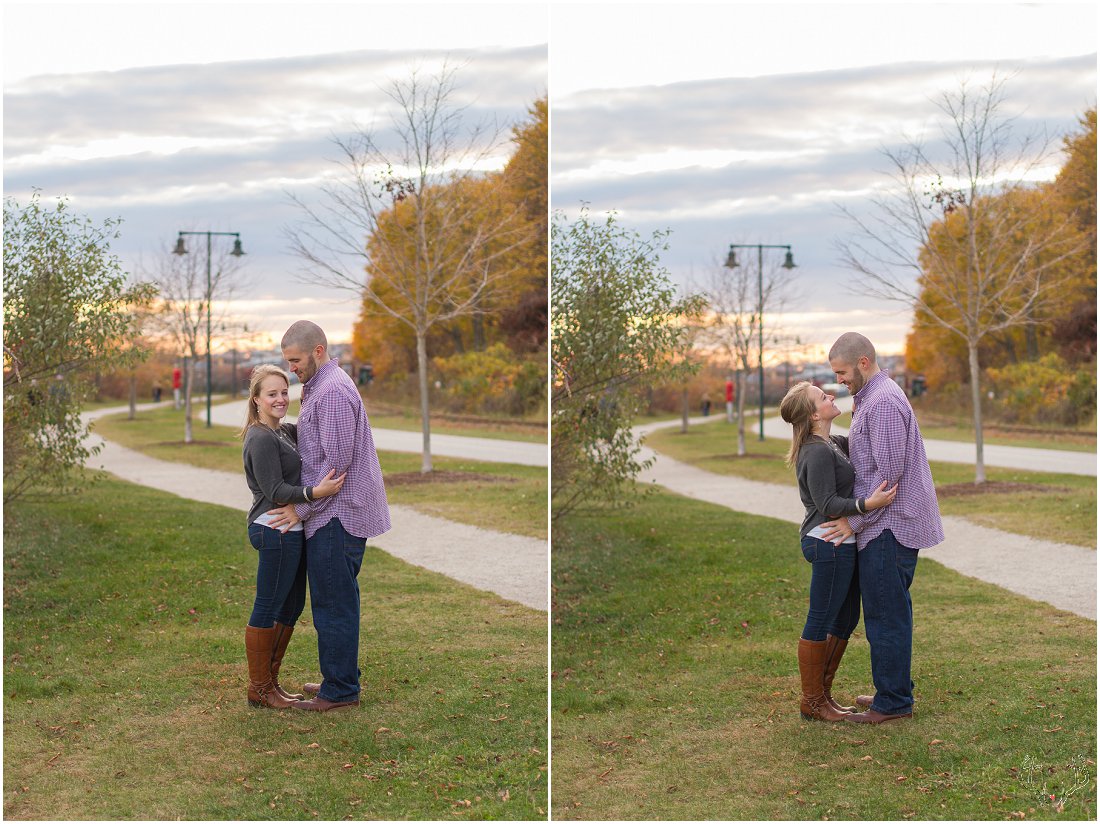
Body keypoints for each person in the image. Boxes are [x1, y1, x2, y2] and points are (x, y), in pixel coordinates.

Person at [268, 321, 391, 712]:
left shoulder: (333, 392)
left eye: (296, 361)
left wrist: (300, 507)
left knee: (333, 604)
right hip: (332, 515)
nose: (292, 370)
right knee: (334, 601)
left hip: (339, 517)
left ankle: (339, 693)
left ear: (318, 351)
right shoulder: (320, 386)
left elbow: (335, 469)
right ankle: (339, 678)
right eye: (288, 362)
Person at [823, 332, 944, 724]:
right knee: (885, 612)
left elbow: (888, 480)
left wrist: (853, 519)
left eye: (841, 372)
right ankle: (891, 690)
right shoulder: (870, 398)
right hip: (883, 526)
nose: (838, 380)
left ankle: (892, 705)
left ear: (862, 362)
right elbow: (869, 458)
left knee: (886, 615)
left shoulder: (884, 402)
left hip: (890, 527)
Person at [780, 381, 896, 722]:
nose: (831, 395)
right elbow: (827, 504)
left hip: (841, 544)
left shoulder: (830, 443)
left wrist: (865, 415)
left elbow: (861, 447)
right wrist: (867, 504)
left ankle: (824, 696)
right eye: (822, 396)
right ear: (814, 414)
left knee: (845, 618)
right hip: (826, 541)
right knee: (821, 618)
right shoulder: (815, 450)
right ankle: (812, 701)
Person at [240, 364, 346, 709]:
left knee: (291, 605)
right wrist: (316, 492)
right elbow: (275, 489)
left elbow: (316, 428)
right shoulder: (259, 436)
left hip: (290, 531)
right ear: (256, 400)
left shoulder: (283, 431)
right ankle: (260, 687)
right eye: (271, 394)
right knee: (268, 606)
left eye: (284, 392)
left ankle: (270, 683)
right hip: (274, 530)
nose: (281, 399)